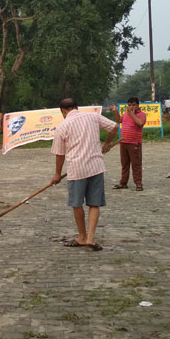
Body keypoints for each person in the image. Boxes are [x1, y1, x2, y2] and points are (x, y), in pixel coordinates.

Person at [50, 98, 118, 251]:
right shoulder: (93, 116)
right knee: (94, 203)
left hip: (77, 169)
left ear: (63, 111)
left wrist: (57, 174)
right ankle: (91, 238)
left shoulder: (63, 126)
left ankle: (82, 237)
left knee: (77, 204)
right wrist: (107, 143)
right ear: (76, 107)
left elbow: (60, 154)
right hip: (96, 167)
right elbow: (114, 127)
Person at [110, 98, 147, 191]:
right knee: (124, 164)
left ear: (138, 105)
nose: (131, 107)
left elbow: (140, 123)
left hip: (134, 143)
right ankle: (123, 183)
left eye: (133, 105)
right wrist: (115, 110)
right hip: (123, 142)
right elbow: (119, 120)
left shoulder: (142, 114)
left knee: (136, 164)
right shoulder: (126, 114)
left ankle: (138, 184)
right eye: (129, 105)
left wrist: (131, 113)